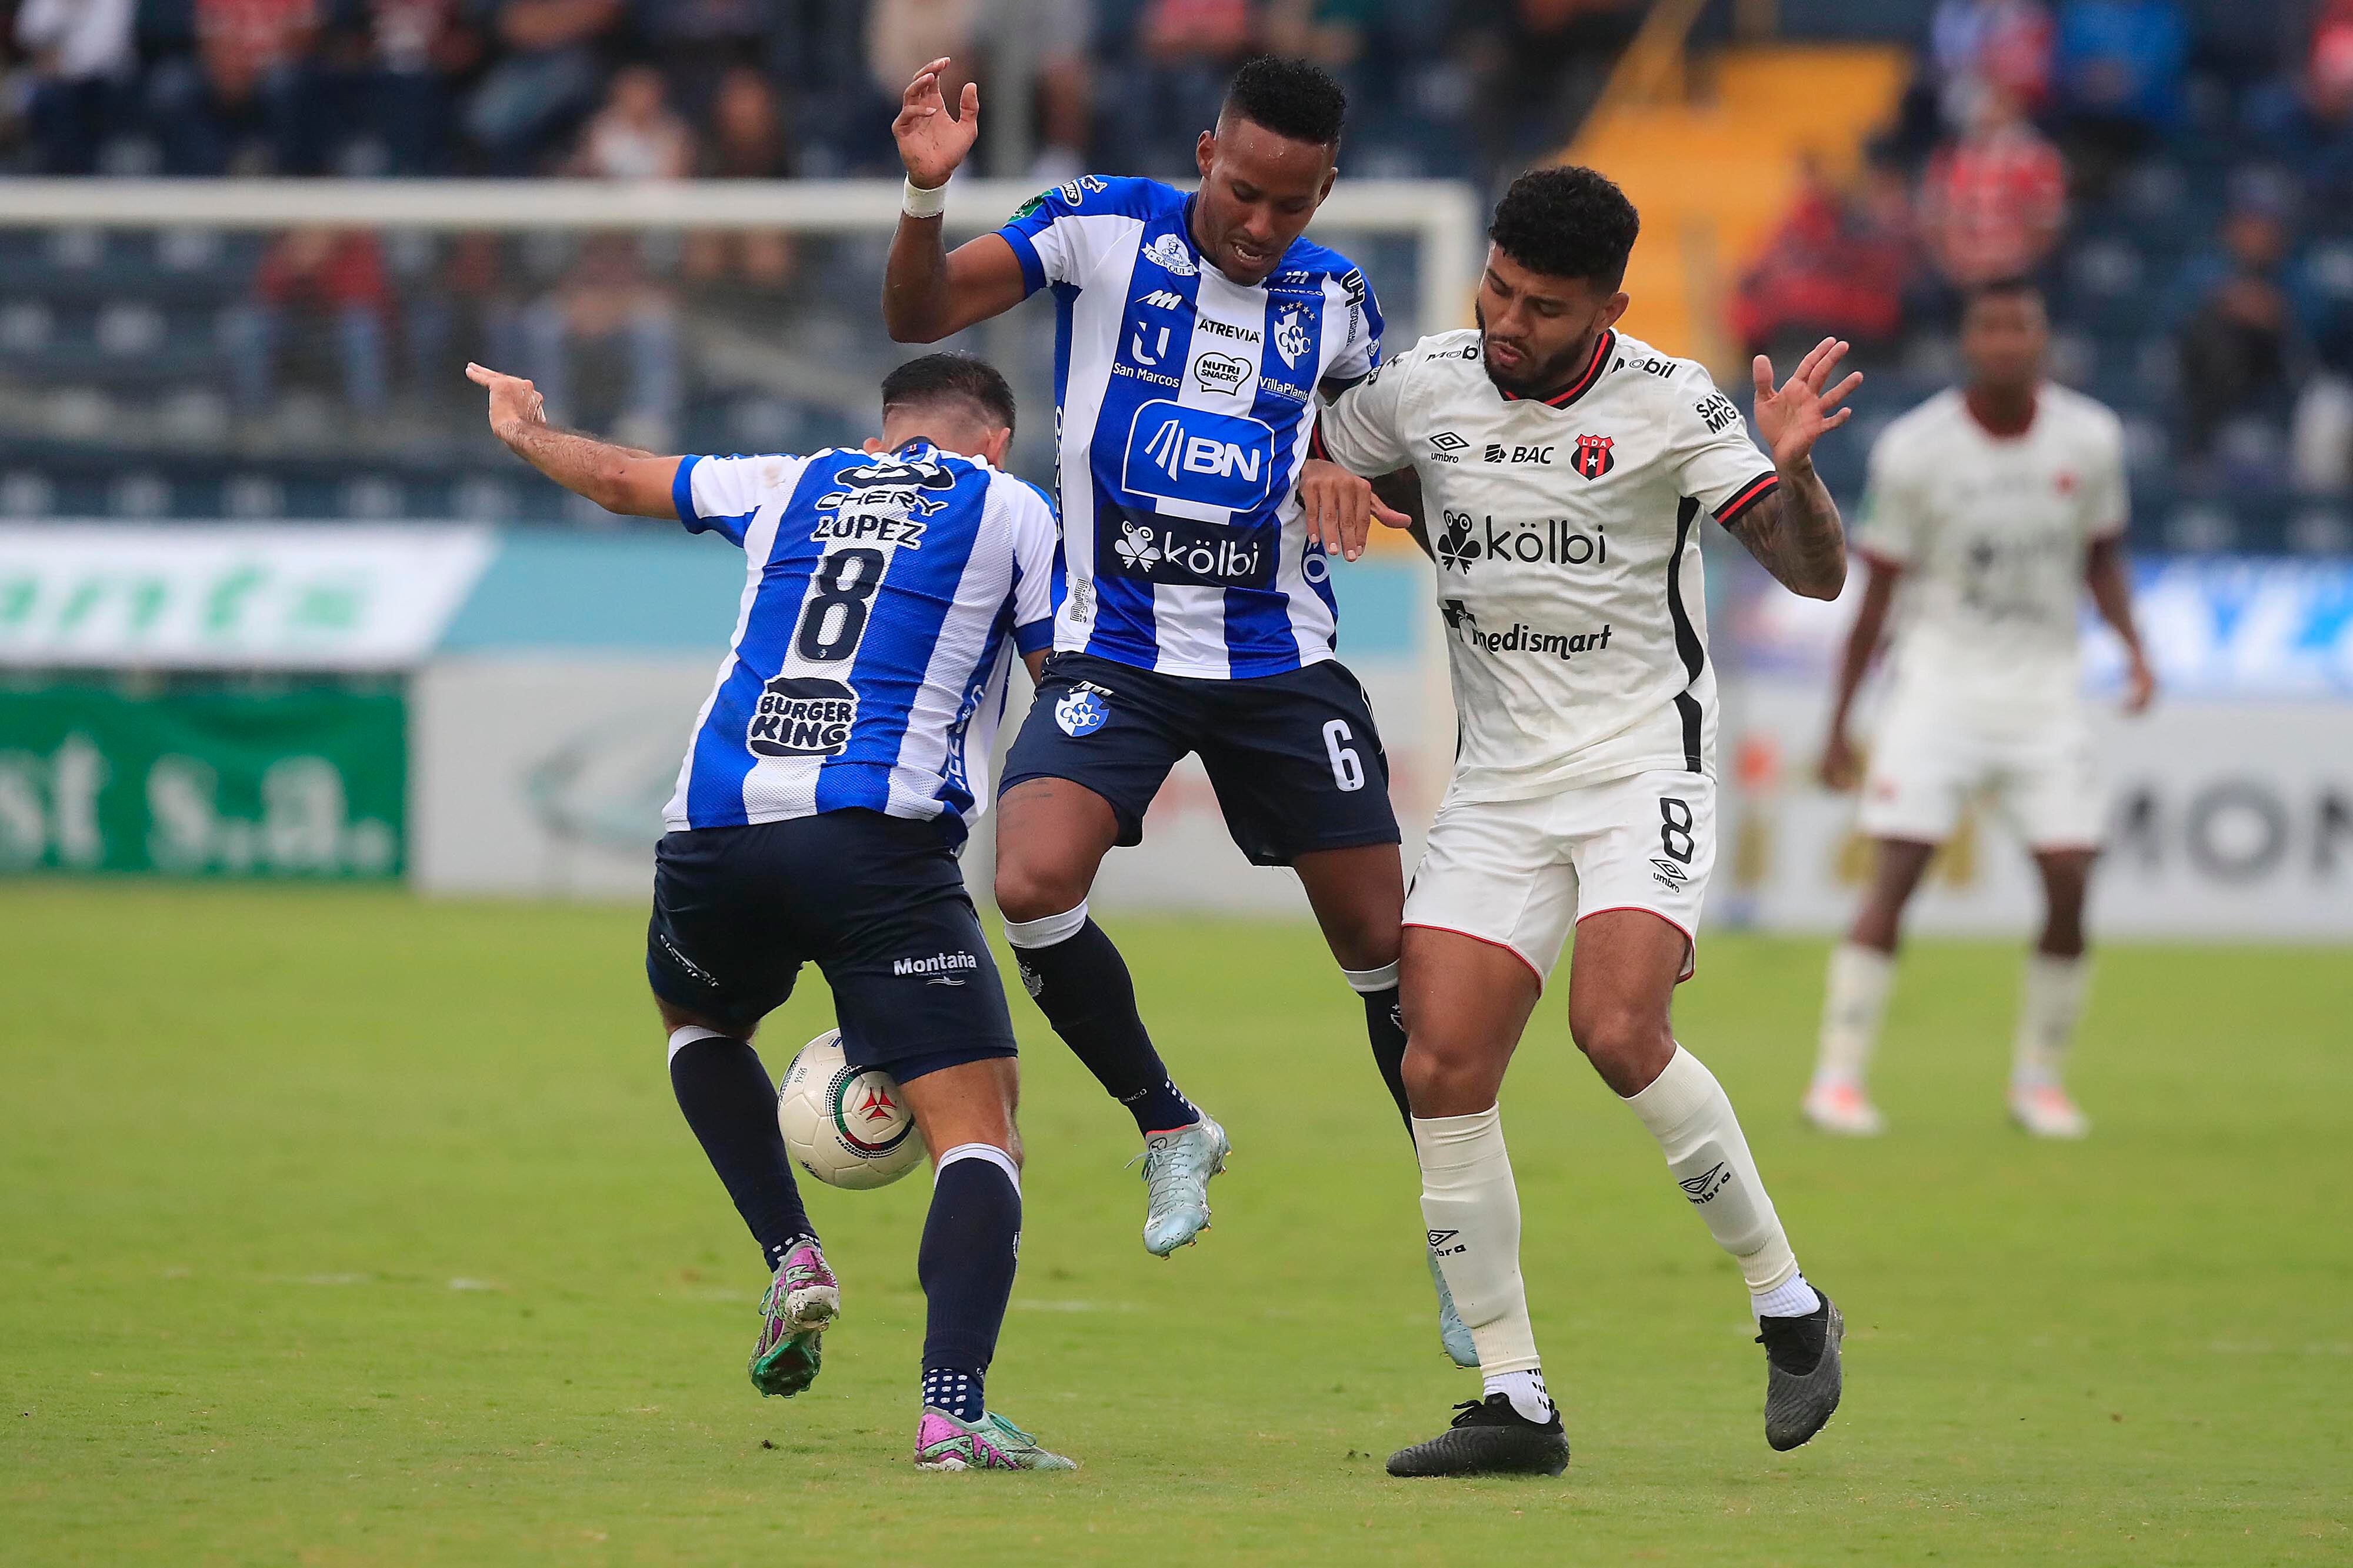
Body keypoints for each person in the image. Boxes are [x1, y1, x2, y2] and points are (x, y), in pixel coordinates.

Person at [880, 55, 1477, 1362]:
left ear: (1324, 193)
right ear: (1207, 153)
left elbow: (1367, 450)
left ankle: (1459, 1240)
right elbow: (917, 310)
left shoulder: (1338, 300)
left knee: (1383, 948)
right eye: (1246, 192)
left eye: (1295, 204)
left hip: (1279, 661)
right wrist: (926, 197)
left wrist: (1338, 465)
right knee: (1030, 881)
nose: (1264, 226)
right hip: (1118, 650)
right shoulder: (1100, 226)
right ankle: (1167, 1122)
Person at [1309, 166, 1854, 1476]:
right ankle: (1515, 1400)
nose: (1507, 320)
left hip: (1634, 764)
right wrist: (1321, 473)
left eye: (1542, 308)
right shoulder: (1424, 383)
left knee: (1614, 1030)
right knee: (1437, 1065)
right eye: (1496, 288)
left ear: (1606, 306)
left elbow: (1814, 571)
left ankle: (1787, 1305)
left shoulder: (1671, 404)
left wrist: (1797, 478)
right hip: (1498, 778)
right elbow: (1311, 442)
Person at [466, 351, 1078, 1472]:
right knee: (981, 1137)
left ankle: (792, 1253)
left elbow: (619, 478)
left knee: (699, 1027)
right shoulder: (1016, 508)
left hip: (713, 834)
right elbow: (1064, 683)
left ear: (883, 429)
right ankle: (950, 1414)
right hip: (876, 843)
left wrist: (522, 432)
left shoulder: (790, 479)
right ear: (994, 440)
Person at [1808, 278, 2154, 1141]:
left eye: (2020, 327)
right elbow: (1877, 595)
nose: (2005, 343)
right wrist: (1840, 721)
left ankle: (2039, 1081)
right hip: (1941, 682)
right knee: (1899, 869)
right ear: (1969, 341)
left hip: (2045, 689)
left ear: (2042, 339)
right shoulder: (1917, 448)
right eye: (1990, 328)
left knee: (2071, 879)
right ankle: (1837, 1079)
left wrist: (2135, 648)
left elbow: (2103, 558)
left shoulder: (2092, 439)